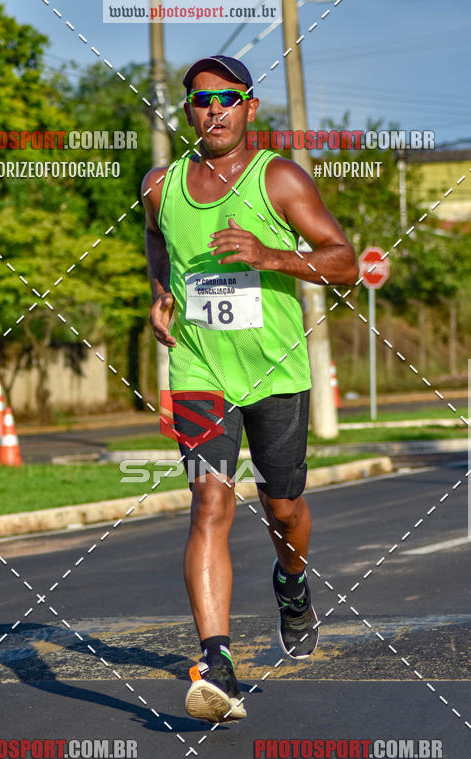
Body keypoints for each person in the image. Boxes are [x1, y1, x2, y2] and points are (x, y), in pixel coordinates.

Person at [141, 54, 358, 724]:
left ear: (249, 108)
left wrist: (270, 256)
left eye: (227, 98)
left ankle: (292, 582)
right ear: (188, 111)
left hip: (276, 371)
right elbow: (156, 241)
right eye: (202, 99)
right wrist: (160, 291)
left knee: (282, 508)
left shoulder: (279, 179)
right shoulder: (160, 186)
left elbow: (344, 262)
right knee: (209, 501)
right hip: (198, 368)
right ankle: (217, 661)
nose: (215, 110)